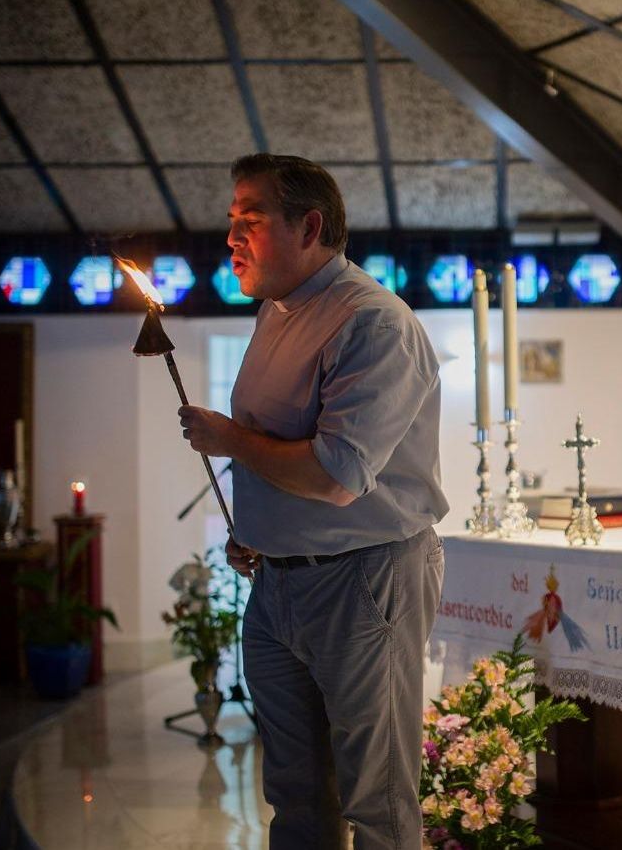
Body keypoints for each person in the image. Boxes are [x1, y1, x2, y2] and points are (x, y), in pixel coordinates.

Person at [177, 154, 447, 849]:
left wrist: (229, 438)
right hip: (278, 587)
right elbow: (282, 444)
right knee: (296, 796)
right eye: (231, 221)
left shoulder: (373, 323)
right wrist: (261, 529)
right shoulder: (277, 311)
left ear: (311, 226)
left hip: (364, 581)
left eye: (251, 220)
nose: (232, 237)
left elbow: (337, 473)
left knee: (376, 796)